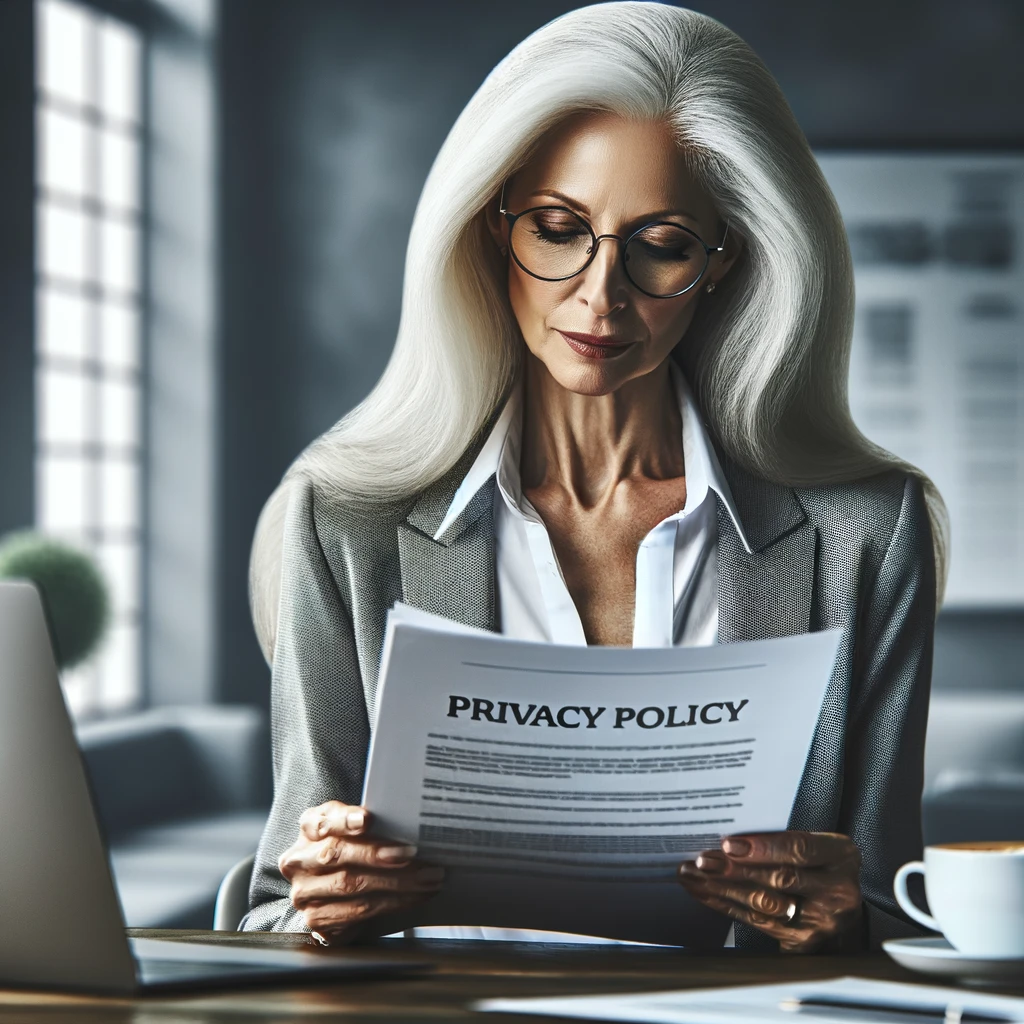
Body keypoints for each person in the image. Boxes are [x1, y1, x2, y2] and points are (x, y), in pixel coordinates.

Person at [239, 1, 946, 954]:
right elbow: (274, 907)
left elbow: (897, 906)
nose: (601, 293)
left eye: (661, 244)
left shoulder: (865, 532)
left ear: (726, 264)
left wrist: (846, 918)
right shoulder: (345, 521)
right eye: (559, 227)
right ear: (492, 231)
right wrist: (321, 907)